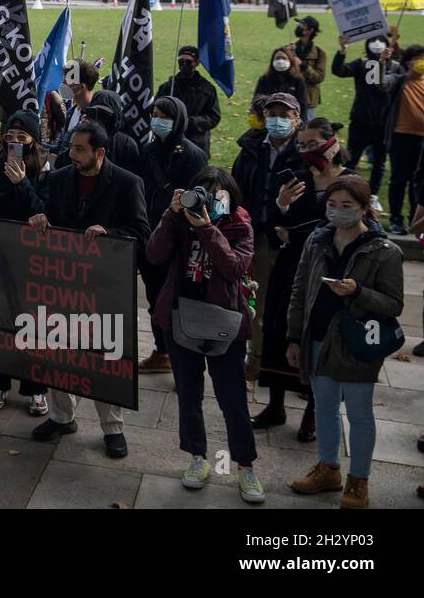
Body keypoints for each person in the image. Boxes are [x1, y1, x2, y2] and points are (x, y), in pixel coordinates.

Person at [28, 120, 150, 458]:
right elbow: (47, 215)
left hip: (105, 286)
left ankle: (112, 428)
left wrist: (108, 232)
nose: (72, 153)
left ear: (100, 152)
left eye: (79, 149)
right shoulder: (58, 178)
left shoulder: (128, 183)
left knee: (104, 355)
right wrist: (40, 220)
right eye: (71, 147)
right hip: (64, 284)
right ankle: (61, 416)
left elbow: (141, 232)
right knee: (58, 349)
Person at [145, 166, 265, 503]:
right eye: (203, 193)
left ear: (230, 198)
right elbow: (153, 254)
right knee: (188, 393)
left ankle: (245, 466)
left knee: (233, 400)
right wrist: (172, 214)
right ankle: (198, 458)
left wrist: (208, 229)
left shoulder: (240, 224)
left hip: (224, 321)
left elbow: (234, 268)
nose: (209, 201)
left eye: (217, 195)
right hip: (181, 317)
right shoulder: (179, 220)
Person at [286, 176, 403, 509]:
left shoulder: (384, 251)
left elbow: (394, 305)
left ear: (364, 209)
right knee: (323, 407)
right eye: (331, 205)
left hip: (356, 343)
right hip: (318, 337)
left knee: (359, 413)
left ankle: (358, 480)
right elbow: (299, 291)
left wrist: (358, 291)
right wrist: (294, 337)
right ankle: (328, 468)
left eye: (346, 206)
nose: (336, 212)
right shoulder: (317, 241)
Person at [252, 117, 355, 441]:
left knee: (317, 336)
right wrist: (282, 205)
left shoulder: (349, 182)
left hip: (330, 271)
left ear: (332, 143)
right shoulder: (295, 179)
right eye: (302, 145)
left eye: (313, 144)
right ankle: (276, 404)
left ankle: (312, 411)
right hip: (292, 267)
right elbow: (275, 218)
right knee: (280, 328)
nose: (307, 150)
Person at [0, 109, 51, 415]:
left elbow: (42, 211)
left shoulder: (44, 169)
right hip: (0, 252)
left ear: (33, 140)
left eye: (22, 137)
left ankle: (35, 387)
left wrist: (22, 184)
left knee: (33, 322)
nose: (14, 141)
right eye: (9, 136)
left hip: (31, 256)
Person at [231, 91, 305, 378]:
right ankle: (256, 357)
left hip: (290, 238)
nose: (276, 121)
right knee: (256, 301)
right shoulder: (251, 148)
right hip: (256, 235)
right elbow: (235, 188)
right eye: (271, 115)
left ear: (296, 120)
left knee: (289, 303)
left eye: (284, 116)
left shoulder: (303, 153)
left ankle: (287, 363)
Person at [136, 96, 208, 373]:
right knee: (156, 298)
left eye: (164, 116)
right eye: (155, 114)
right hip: (150, 236)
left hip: (177, 239)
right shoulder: (148, 150)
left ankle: (186, 359)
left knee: (177, 300)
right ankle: (163, 350)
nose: (158, 120)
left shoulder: (192, 154)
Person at [332, 34, 397, 213]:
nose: (377, 44)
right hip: (361, 120)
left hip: (383, 123)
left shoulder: (395, 67)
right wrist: (342, 50)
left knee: (379, 161)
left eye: (381, 41)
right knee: (352, 158)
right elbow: (339, 70)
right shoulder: (362, 64)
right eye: (373, 41)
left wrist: (383, 63)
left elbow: (386, 85)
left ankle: (373, 195)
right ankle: (351, 191)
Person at [383, 44, 424, 234]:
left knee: (420, 182)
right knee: (399, 179)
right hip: (401, 137)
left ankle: (415, 220)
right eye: (419, 59)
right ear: (408, 62)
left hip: (422, 140)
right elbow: (375, 81)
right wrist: (380, 61)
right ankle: (396, 220)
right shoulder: (398, 81)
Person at [156, 46, 221, 159]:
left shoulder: (207, 89)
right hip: (169, 141)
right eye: (181, 61)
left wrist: (190, 122)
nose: (184, 65)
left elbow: (214, 117)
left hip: (197, 143)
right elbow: (154, 110)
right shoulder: (168, 87)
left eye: (189, 61)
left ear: (197, 63)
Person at [253, 44, 308, 116]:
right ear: (272, 61)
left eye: (284, 58)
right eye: (277, 58)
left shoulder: (298, 79)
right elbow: (256, 99)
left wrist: (301, 124)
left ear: (290, 61)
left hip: (290, 120)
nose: (280, 61)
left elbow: (303, 104)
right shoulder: (264, 79)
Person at [293, 16, 327, 122]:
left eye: (303, 25)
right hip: (290, 96)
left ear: (310, 30)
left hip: (308, 99)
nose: (299, 27)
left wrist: (303, 66)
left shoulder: (320, 53)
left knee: (306, 130)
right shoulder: (290, 49)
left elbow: (319, 78)